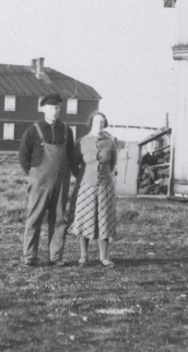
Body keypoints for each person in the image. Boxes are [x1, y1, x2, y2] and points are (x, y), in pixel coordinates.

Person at [18, 93, 84, 266]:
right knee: (35, 218)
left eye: (57, 108)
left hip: (61, 180)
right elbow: (23, 156)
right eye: (51, 108)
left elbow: (70, 155)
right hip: (39, 181)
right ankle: (30, 255)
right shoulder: (33, 130)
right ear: (43, 109)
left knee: (59, 218)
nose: (54, 111)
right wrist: (33, 174)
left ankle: (56, 256)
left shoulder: (66, 130)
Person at [71, 111, 118, 266]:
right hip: (86, 186)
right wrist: (83, 177)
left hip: (105, 187)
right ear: (91, 123)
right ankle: (84, 256)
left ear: (105, 124)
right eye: (97, 121)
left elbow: (112, 165)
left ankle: (104, 257)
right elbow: (74, 164)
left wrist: (104, 177)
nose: (99, 124)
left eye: (102, 122)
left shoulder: (110, 142)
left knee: (104, 219)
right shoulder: (82, 142)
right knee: (85, 218)